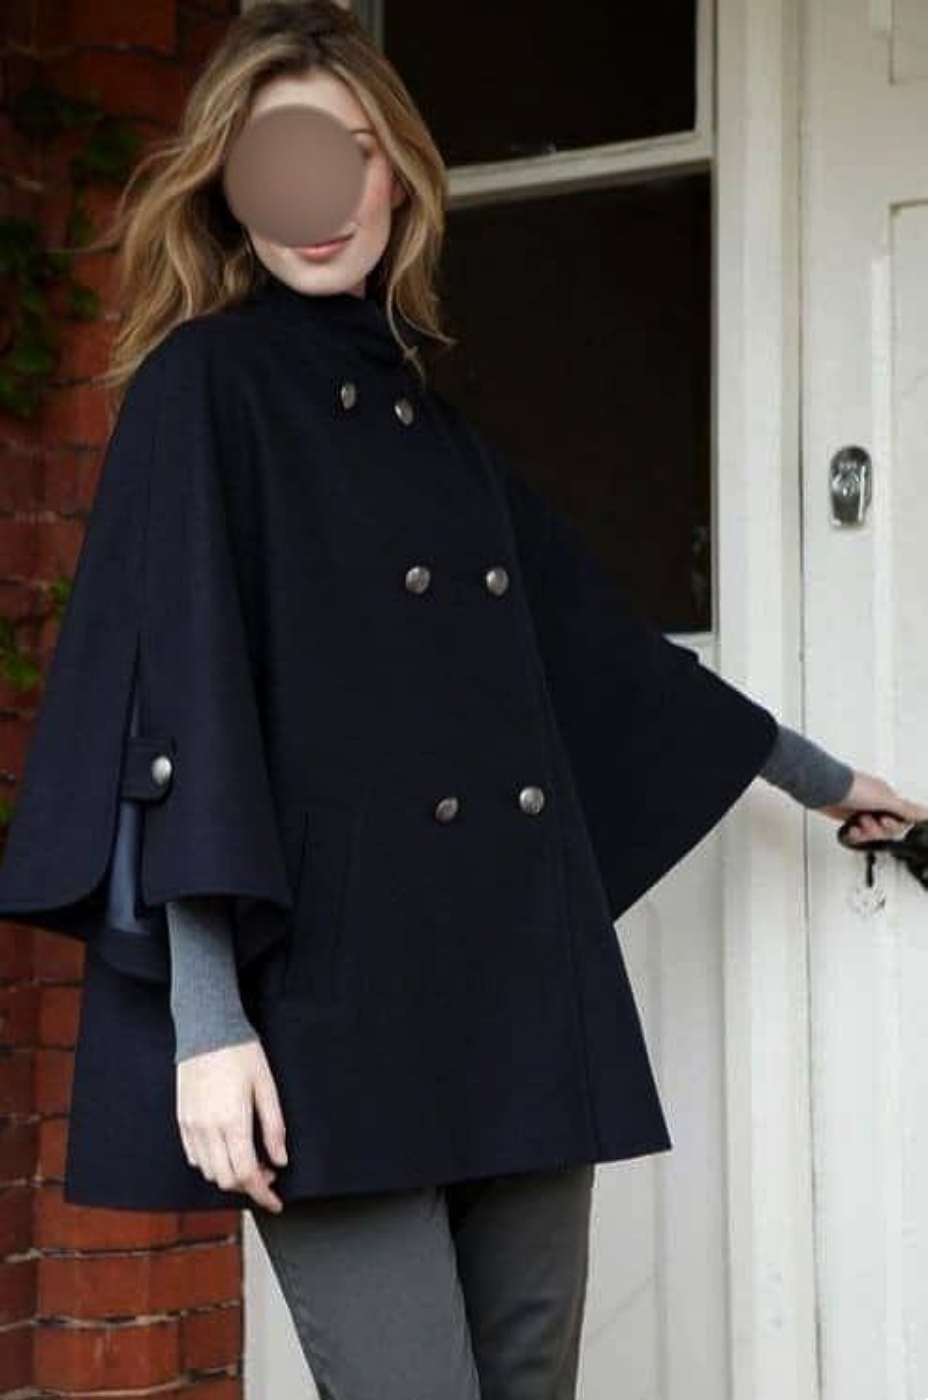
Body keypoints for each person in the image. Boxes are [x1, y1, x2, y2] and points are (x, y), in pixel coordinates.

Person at [1, 3, 925, 1396]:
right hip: (322, 1004)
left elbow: (605, 657)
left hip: (511, 984)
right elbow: (176, 707)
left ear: (400, 176)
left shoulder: (437, 428)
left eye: (348, 151)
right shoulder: (206, 386)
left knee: (529, 1380)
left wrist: (829, 779)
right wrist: (209, 1022)